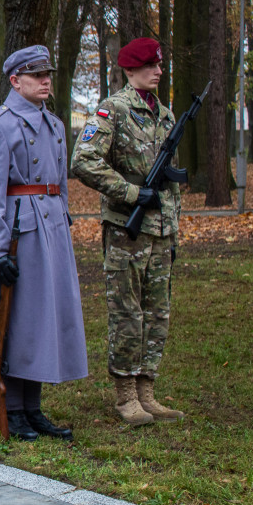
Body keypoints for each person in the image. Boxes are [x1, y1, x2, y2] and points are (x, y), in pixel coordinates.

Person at [0, 45, 88, 441]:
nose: (45, 80)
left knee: (42, 321)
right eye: (36, 75)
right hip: (19, 234)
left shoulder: (53, 124)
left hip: (49, 231)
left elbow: (61, 186)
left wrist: (63, 222)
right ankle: (12, 410)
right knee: (17, 321)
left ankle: (32, 409)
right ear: (15, 80)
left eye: (47, 73)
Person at [71, 37, 184, 426]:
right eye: (151, 65)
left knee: (158, 313)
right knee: (127, 314)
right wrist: (132, 193)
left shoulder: (165, 116)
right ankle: (125, 395)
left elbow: (172, 184)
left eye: (159, 64)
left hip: (161, 233)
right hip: (126, 231)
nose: (158, 71)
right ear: (130, 69)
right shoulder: (112, 110)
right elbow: (83, 160)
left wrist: (173, 228)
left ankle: (147, 391)